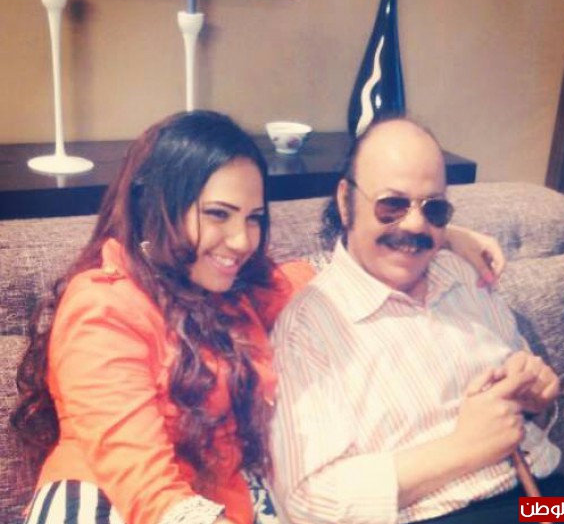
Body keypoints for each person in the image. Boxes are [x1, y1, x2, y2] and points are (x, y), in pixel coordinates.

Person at [12, 110, 505, 524]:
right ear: (157, 206)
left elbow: (328, 275)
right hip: (110, 503)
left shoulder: (236, 288)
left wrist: (432, 233)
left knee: (557, 515)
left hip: (222, 502)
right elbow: (145, 485)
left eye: (253, 218)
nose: (242, 241)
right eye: (218, 214)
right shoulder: (102, 306)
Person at [270, 118, 564, 524]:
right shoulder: (309, 327)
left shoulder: (467, 275)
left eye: (434, 208)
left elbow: (524, 397)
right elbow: (307, 502)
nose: (415, 224)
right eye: (391, 205)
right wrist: (463, 448)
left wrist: (536, 397)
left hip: (547, 496)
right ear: (346, 201)